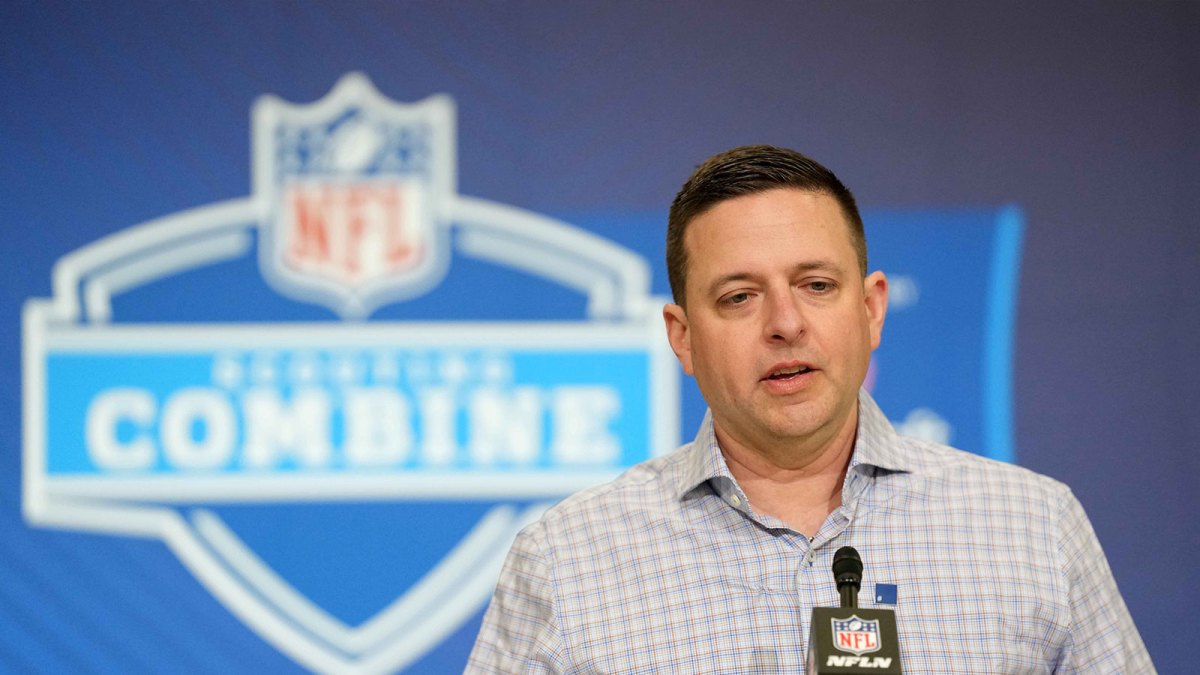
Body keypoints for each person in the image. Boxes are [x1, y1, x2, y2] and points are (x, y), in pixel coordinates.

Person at [466, 145, 1153, 673]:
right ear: (683, 337)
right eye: (739, 296)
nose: (786, 323)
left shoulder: (1033, 527)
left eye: (816, 284)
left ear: (871, 307)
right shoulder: (567, 557)